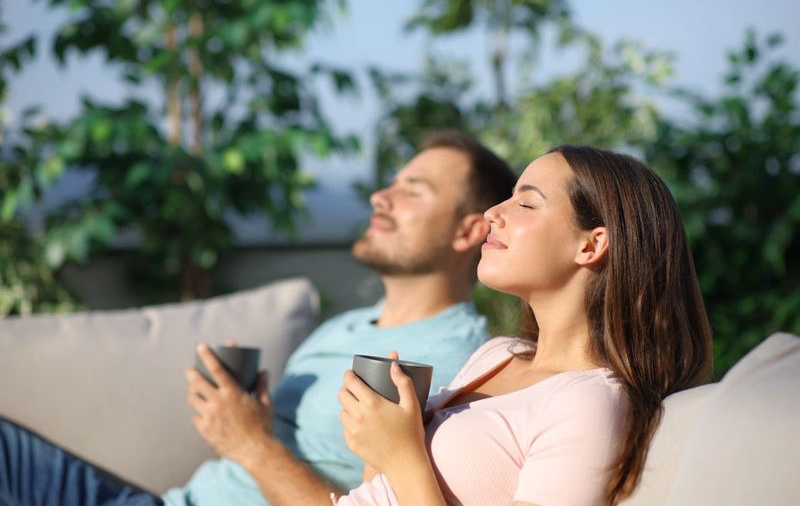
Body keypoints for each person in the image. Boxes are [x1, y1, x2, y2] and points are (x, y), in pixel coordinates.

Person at [0, 130, 517, 506]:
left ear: (469, 231)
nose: (380, 196)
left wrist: (249, 442)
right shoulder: (348, 325)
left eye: (414, 190)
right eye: (392, 183)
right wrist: (241, 414)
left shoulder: (452, 367)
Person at [335, 145, 714, 506]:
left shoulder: (589, 403)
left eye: (527, 203)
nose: (492, 213)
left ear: (591, 245)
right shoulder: (499, 354)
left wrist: (402, 455)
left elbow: (406, 472)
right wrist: (381, 438)